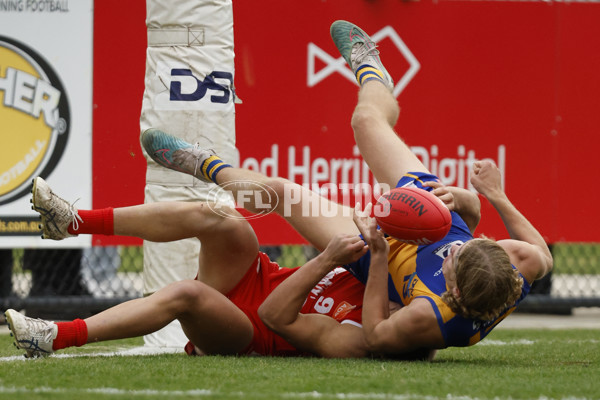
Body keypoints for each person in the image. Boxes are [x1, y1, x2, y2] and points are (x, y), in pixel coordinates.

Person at [139, 20, 553, 355]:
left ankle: (205, 165)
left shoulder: (429, 318)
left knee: (280, 194)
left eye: (454, 260)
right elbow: (533, 250)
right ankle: (371, 67)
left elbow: (374, 334)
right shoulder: (516, 265)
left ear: (455, 291)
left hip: (379, 253)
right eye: (466, 247)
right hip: (430, 214)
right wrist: (481, 197)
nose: (455, 250)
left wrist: (376, 256)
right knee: (365, 122)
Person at [5, 177, 374, 359]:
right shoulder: (384, 264)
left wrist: (327, 258)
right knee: (219, 217)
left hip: (252, 331)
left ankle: (53, 336)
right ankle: (73, 222)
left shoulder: (376, 329)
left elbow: (273, 314)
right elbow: (280, 194)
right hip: (256, 277)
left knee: (187, 294)